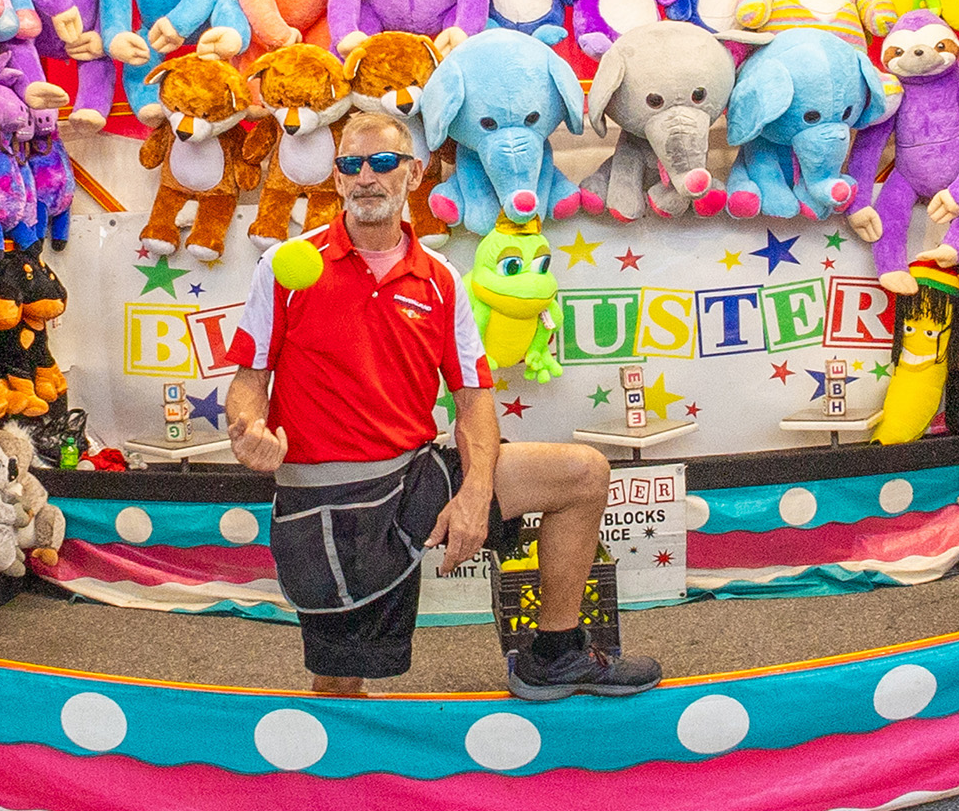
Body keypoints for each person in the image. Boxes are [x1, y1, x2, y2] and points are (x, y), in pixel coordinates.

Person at [225, 111, 661, 700]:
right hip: (325, 495)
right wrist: (247, 427)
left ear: (414, 171)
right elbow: (250, 379)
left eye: (382, 163)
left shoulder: (442, 281)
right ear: (336, 179)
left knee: (583, 472)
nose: (366, 178)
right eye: (351, 165)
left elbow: (473, 397)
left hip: (414, 473)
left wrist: (475, 495)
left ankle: (555, 656)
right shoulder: (285, 268)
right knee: (340, 684)